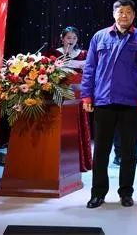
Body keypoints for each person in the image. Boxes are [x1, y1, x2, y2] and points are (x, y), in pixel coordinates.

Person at [81, 0, 137, 208]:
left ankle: (126, 193)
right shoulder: (100, 36)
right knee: (101, 151)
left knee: (129, 152)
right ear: (114, 14)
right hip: (104, 100)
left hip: (131, 102)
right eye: (120, 11)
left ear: (133, 15)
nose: (124, 15)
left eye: (128, 12)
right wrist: (87, 96)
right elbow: (90, 69)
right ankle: (98, 193)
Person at [48, 26, 92, 172]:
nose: (71, 40)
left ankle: (80, 161)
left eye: (74, 38)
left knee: (78, 124)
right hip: (60, 96)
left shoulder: (83, 54)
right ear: (62, 39)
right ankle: (56, 159)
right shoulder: (54, 53)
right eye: (68, 38)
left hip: (78, 96)